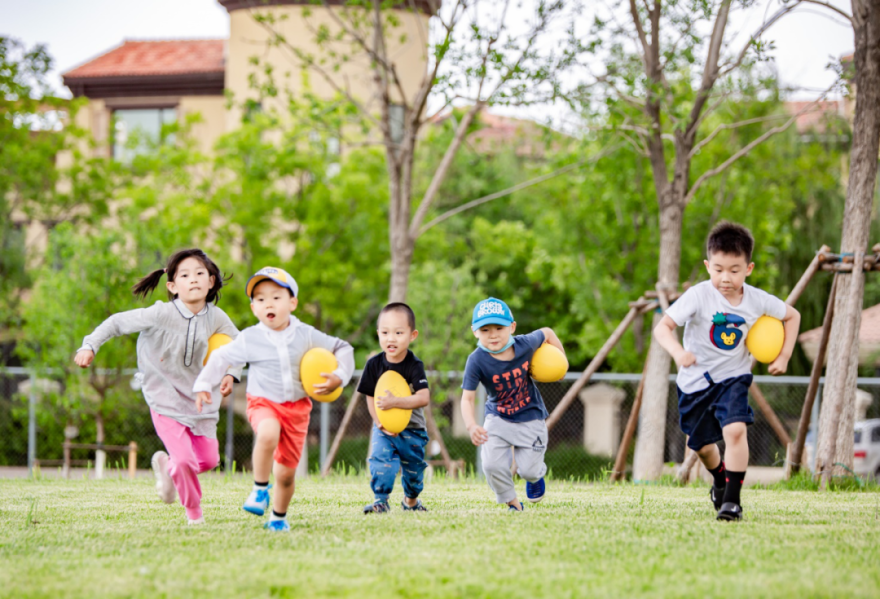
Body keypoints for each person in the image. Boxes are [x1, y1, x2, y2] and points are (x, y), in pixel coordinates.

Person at [74, 249, 241, 525]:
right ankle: (195, 516)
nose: (194, 279)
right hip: (163, 396)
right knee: (186, 461)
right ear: (173, 286)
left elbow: (237, 345)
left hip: (200, 399)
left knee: (209, 461)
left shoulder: (217, 317)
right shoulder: (160, 313)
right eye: (185, 275)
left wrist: (231, 375)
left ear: (211, 281)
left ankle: (169, 467)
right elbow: (117, 322)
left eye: (200, 273)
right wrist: (90, 344)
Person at [654, 221, 801, 521]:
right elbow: (663, 328)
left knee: (735, 430)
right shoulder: (698, 295)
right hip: (694, 383)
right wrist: (678, 353)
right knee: (705, 448)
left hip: (733, 378)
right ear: (708, 265)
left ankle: (732, 502)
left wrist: (784, 355)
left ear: (748, 268)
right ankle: (719, 482)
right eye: (718, 269)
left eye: (734, 270)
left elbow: (792, 315)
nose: (725, 278)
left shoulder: (757, 299)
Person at [194, 267, 354, 532]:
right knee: (267, 433)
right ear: (254, 308)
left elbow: (343, 347)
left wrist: (340, 375)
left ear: (292, 303)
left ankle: (278, 518)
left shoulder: (306, 334)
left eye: (276, 297)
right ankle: (259, 489)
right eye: (260, 298)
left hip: (297, 409)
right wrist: (203, 383)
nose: (268, 302)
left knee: (285, 475)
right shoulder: (250, 338)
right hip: (262, 402)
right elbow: (221, 357)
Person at [459, 297, 566, 511]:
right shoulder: (476, 360)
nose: (493, 334)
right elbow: (467, 398)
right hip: (498, 417)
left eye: (499, 327)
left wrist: (561, 363)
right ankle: (512, 502)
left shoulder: (525, 344)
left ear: (512, 327)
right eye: (485, 329)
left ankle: (535, 478)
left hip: (531, 416)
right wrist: (471, 425)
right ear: (475, 332)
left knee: (528, 470)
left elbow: (547, 332)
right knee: (491, 464)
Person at [359, 303, 430, 514]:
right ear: (378, 334)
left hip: (413, 429)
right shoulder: (373, 365)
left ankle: (410, 501)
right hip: (383, 428)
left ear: (412, 335)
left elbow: (424, 397)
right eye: (385, 332)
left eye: (399, 333)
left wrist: (395, 402)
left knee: (414, 470)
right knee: (381, 461)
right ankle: (380, 500)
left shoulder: (414, 365)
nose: (391, 338)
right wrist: (378, 422)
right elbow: (370, 396)